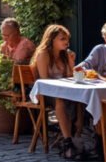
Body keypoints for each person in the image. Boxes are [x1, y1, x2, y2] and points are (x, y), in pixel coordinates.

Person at [33, 24, 80, 159]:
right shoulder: (43, 54)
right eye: (62, 39)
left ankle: (79, 135)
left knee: (81, 100)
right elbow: (44, 80)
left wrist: (71, 62)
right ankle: (68, 141)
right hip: (46, 92)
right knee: (60, 100)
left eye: (67, 39)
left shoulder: (65, 55)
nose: (66, 42)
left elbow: (71, 76)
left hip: (63, 90)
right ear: (51, 39)